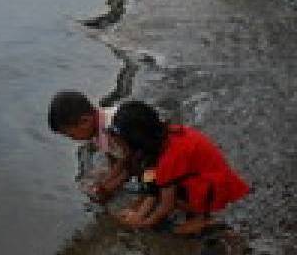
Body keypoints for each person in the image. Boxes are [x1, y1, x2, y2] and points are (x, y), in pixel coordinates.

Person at [106, 100, 249, 236]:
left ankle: (203, 219)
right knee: (154, 180)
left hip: (216, 190)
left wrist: (142, 223)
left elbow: (166, 205)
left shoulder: (169, 159)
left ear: (137, 142)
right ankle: (197, 211)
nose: (121, 149)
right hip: (212, 178)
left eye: (123, 145)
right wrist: (138, 212)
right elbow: (151, 185)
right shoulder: (165, 138)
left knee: (171, 210)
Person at [47, 91, 133, 209]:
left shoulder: (114, 128)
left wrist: (110, 187)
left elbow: (133, 164)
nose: (73, 140)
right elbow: (117, 158)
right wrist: (105, 182)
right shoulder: (97, 130)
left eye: (72, 135)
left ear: (85, 121)